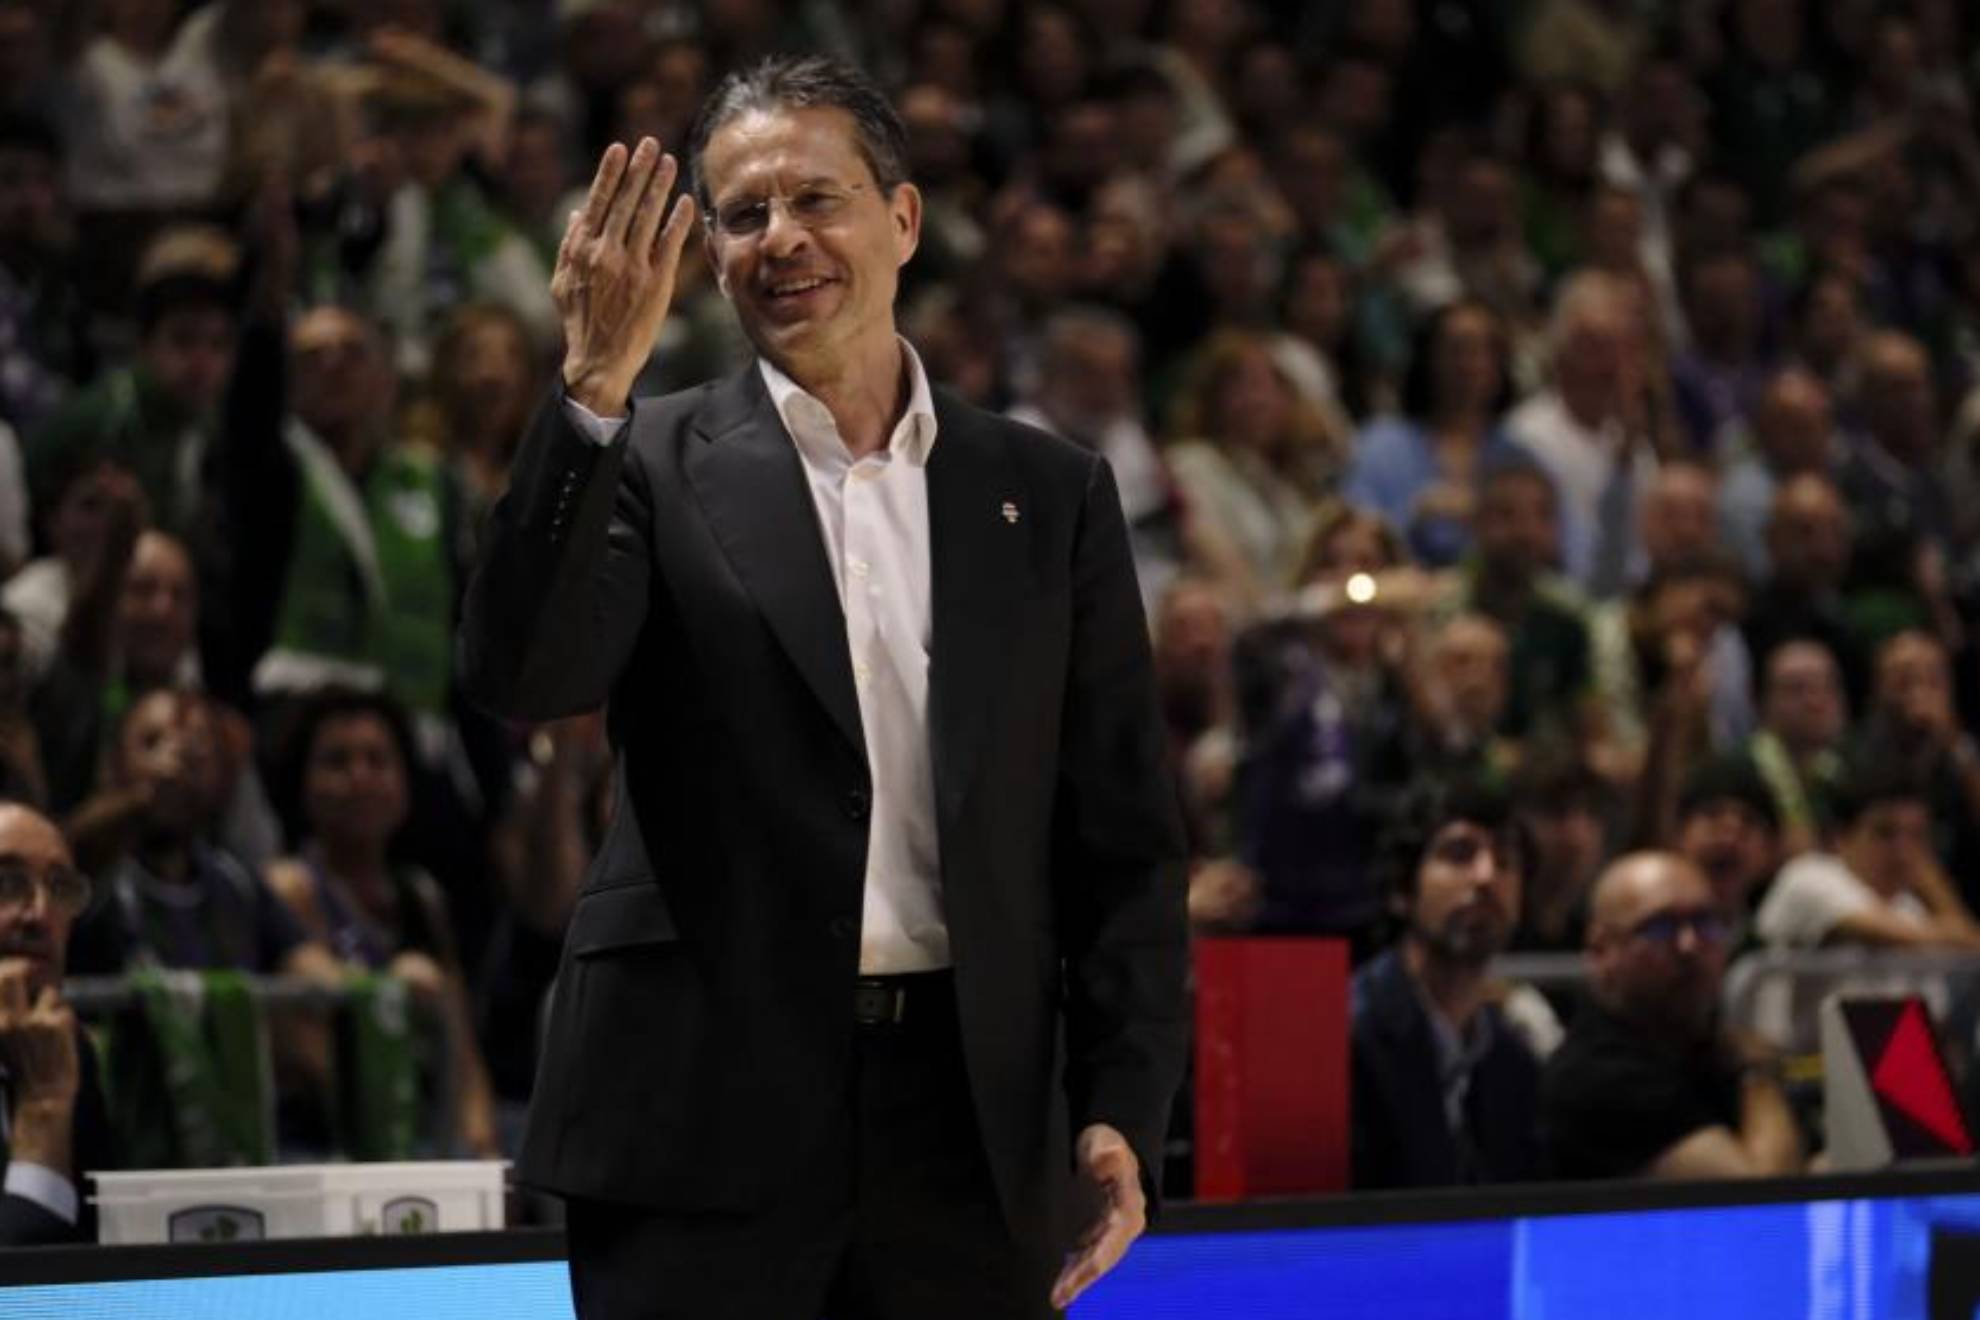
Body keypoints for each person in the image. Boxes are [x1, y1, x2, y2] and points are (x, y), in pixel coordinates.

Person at [457, 57, 1187, 1320]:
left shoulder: (1047, 492)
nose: (780, 239)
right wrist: (587, 394)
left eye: (815, 200)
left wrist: (1120, 1102)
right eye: (742, 215)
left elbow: (1119, 831)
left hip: (967, 1123)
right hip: (702, 1119)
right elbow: (527, 674)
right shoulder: (646, 455)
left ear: (902, 222)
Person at [1541, 852, 1805, 1180]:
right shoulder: (1597, 1077)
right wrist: (1758, 1074)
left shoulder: (1703, 1051)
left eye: (1706, 924)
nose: (1689, 945)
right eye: (1660, 928)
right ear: (1601, 950)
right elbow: (1766, 1201)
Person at [1350, 780, 1544, 1189]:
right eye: (1459, 854)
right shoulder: (1345, 1036)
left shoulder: (1514, 1062)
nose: (1487, 876)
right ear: (1403, 889)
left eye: (1506, 859)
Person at [0, 800, 116, 1245]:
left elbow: (95, 1251)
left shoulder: (66, 1049)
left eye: (60, 888)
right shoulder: (54, 1070)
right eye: (7, 884)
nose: (39, 915)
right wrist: (44, 1109)